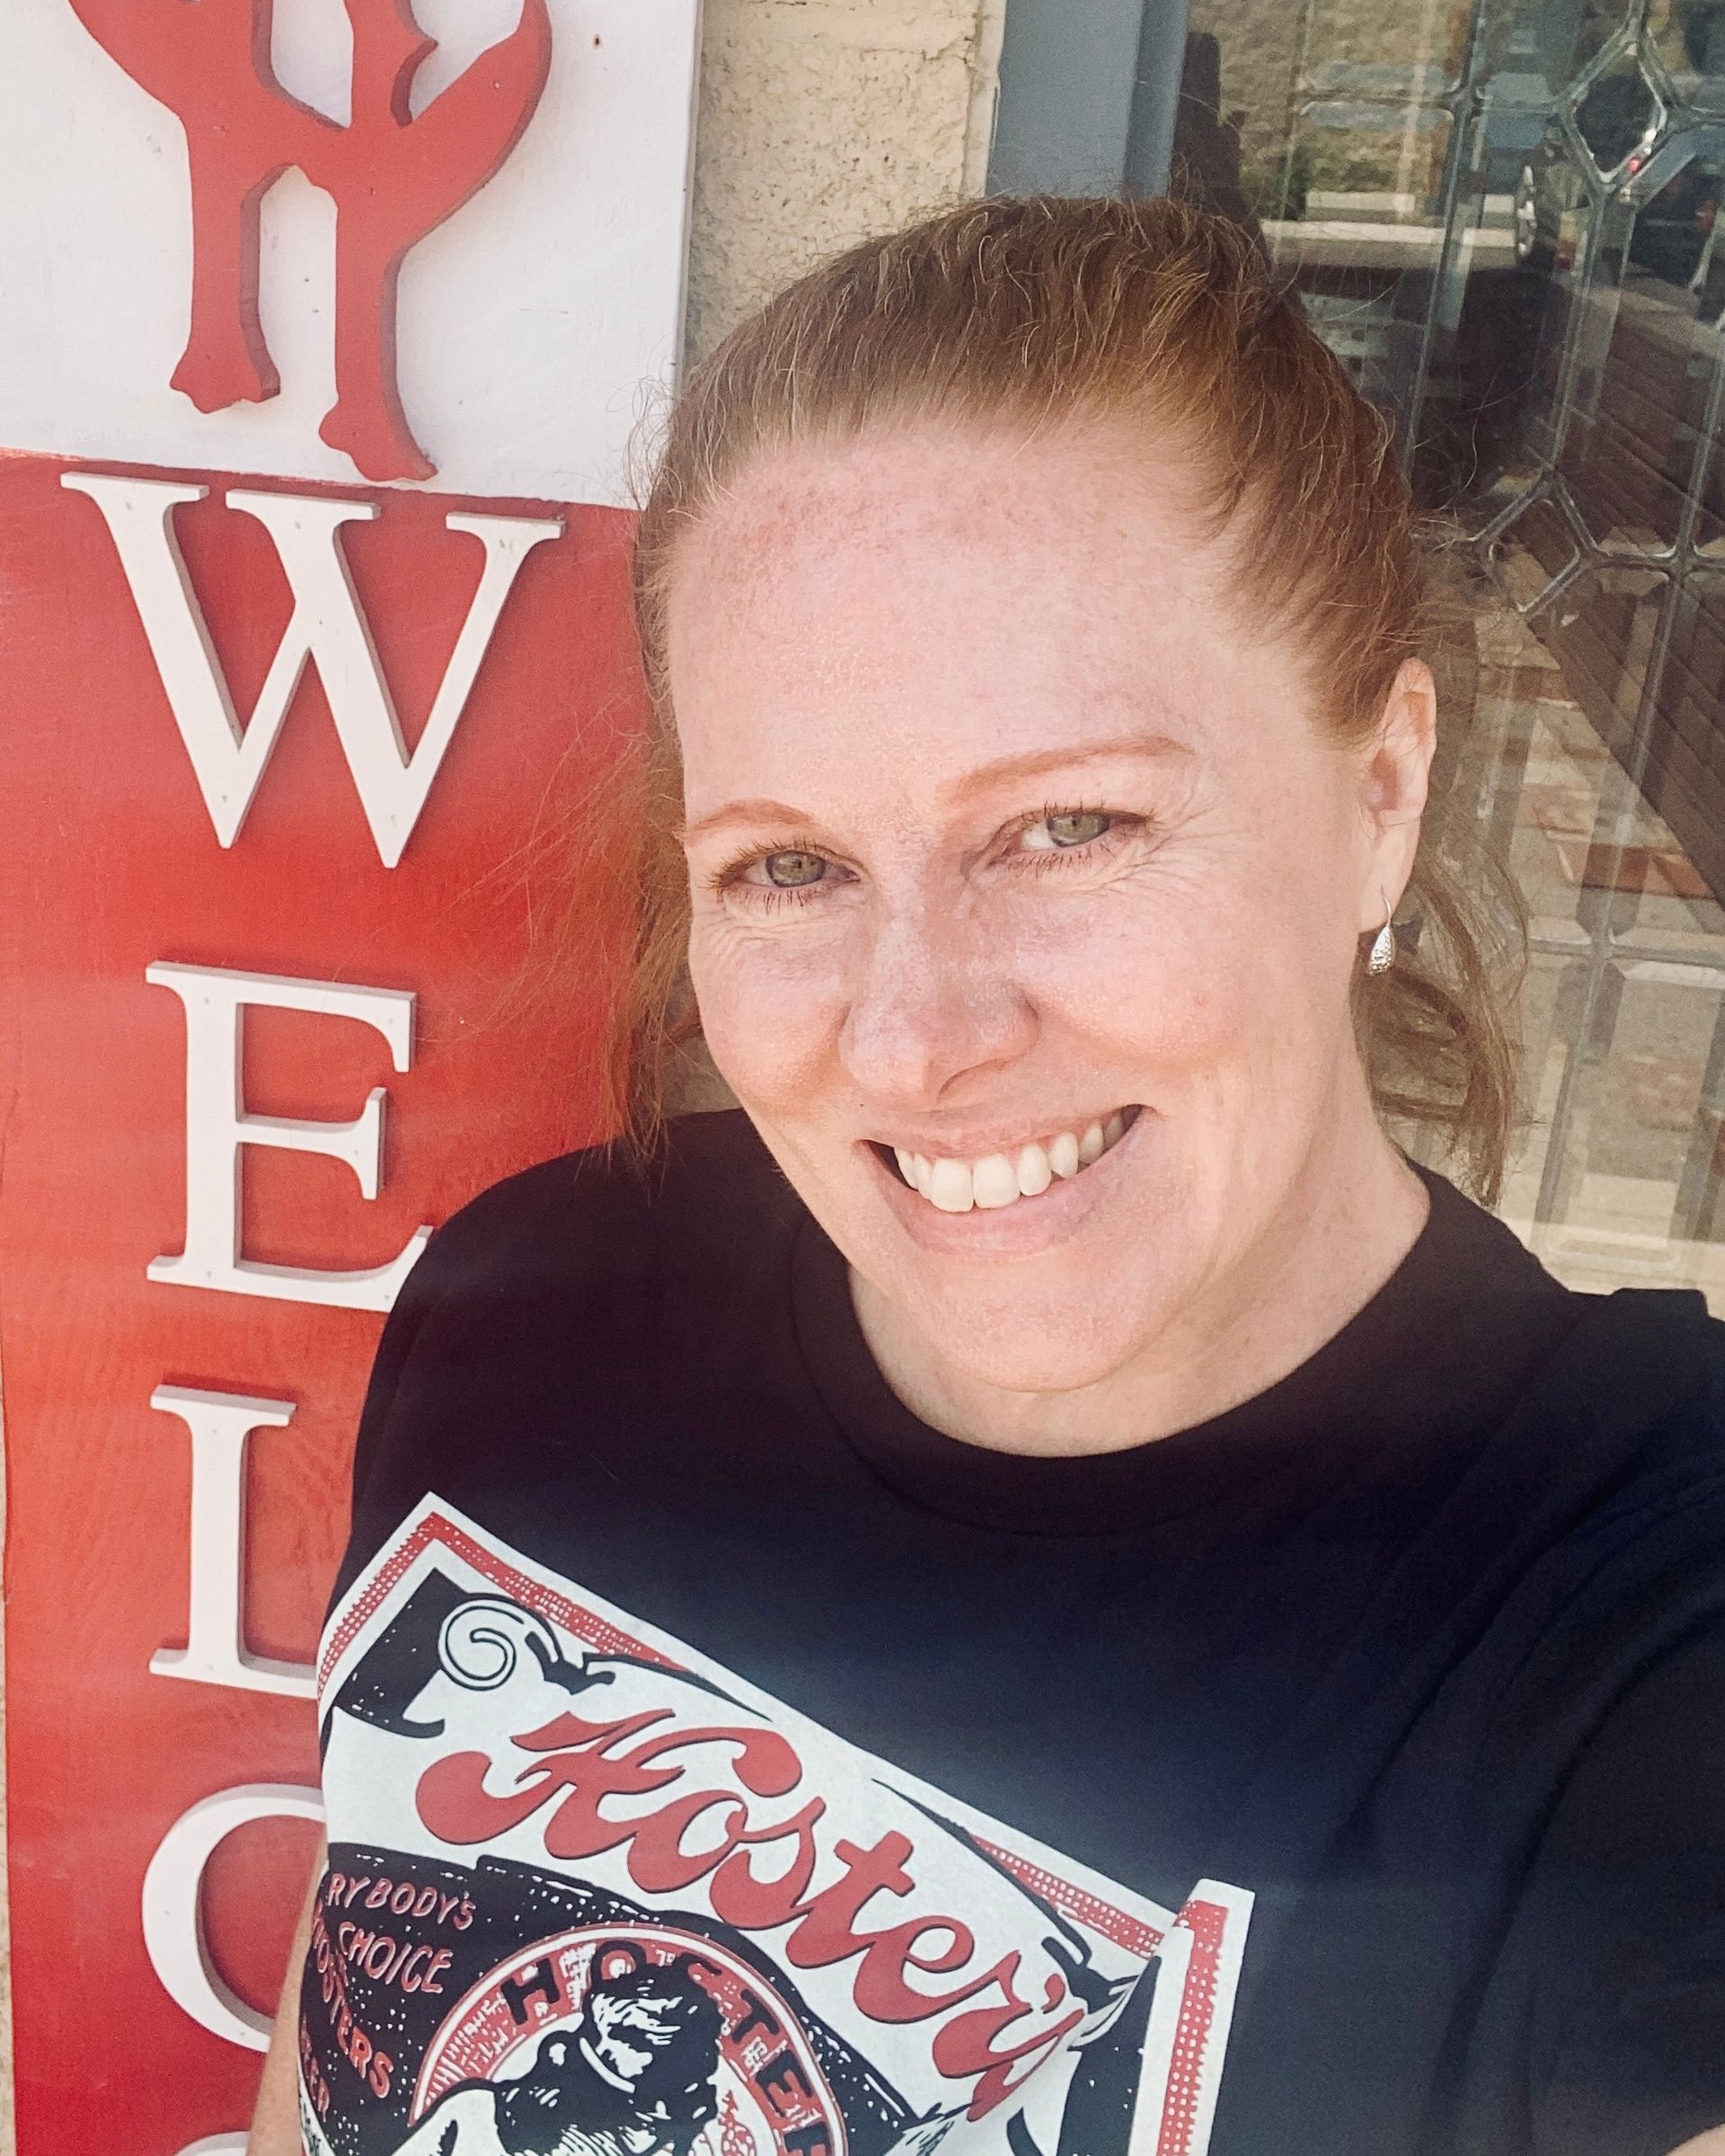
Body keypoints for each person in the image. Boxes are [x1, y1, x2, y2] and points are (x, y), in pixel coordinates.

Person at [247, 197, 1725, 2156]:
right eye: (789, 865)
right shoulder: (531, 1305)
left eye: (1069, 824)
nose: (911, 1038)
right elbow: (342, 2050)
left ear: (1381, 794)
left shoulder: (1629, 1627)